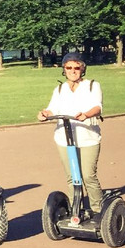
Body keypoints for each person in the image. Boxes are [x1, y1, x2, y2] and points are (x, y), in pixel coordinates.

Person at [37, 52, 105, 217]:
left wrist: (86, 114)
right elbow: (53, 108)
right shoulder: (60, 89)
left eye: (76, 67)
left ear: (82, 69)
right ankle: (77, 210)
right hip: (64, 138)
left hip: (88, 137)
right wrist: (45, 113)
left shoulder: (92, 85)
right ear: (64, 69)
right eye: (69, 67)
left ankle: (98, 211)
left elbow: (98, 106)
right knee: (73, 178)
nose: (73, 70)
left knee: (88, 176)